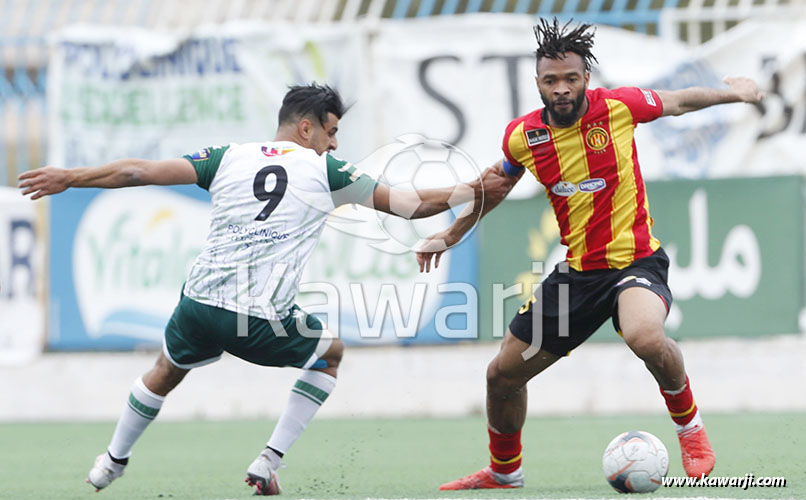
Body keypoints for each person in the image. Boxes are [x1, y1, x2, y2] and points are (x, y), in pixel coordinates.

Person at [19, 83, 509, 495]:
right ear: (306, 128)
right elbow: (408, 205)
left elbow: (137, 171)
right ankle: (268, 460)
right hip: (255, 317)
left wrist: (70, 177)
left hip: (198, 305)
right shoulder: (325, 170)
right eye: (332, 131)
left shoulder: (225, 157)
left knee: (166, 370)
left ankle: (111, 461)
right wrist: (473, 186)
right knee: (330, 353)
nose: (335, 144)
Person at [416, 18, 763, 490]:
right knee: (501, 376)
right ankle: (504, 471)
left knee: (643, 335)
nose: (561, 89)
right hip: (578, 275)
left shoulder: (620, 107)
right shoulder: (524, 136)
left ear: (586, 79)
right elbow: (496, 185)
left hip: (636, 263)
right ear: (537, 83)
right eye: (550, 80)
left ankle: (690, 428)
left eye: (571, 79)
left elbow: (681, 102)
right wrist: (454, 232)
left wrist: (737, 94)